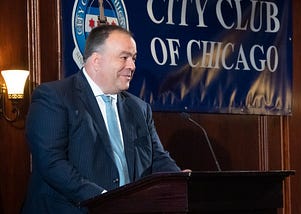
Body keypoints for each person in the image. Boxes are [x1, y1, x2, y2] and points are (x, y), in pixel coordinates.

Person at [21, 24, 182, 213]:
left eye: (134, 58)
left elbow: (157, 158)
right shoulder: (54, 97)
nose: (132, 66)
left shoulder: (139, 108)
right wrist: (103, 200)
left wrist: (181, 183)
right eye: (124, 57)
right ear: (96, 61)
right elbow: (51, 162)